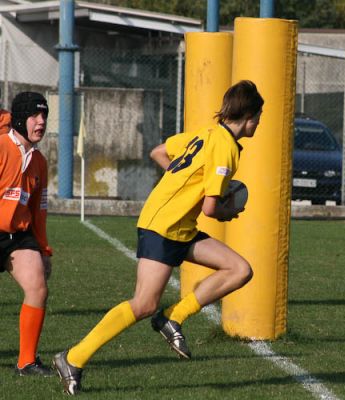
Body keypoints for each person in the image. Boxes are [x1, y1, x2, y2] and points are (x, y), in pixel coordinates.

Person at [54, 80, 264, 395]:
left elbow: (160, 152)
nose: (259, 122)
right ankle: (72, 358)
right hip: (164, 226)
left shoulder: (206, 134)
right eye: (258, 116)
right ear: (248, 115)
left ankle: (173, 317)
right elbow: (210, 208)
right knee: (143, 303)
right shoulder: (226, 149)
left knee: (240, 269)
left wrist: (180, 186)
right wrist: (226, 212)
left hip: (180, 227)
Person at [0, 92, 53, 376]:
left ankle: (26, 361)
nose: (41, 122)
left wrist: (43, 250)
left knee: (38, 287)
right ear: (20, 118)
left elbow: (39, 211)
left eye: (44, 116)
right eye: (35, 115)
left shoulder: (39, 161)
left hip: (17, 237)